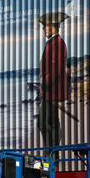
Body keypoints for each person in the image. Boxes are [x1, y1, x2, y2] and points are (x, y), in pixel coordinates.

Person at [37, 12, 70, 152]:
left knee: (43, 123)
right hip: (51, 91)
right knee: (52, 121)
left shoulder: (57, 43)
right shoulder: (52, 42)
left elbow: (56, 68)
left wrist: (43, 83)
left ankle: (51, 151)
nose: (44, 29)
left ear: (52, 27)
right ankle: (53, 151)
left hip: (52, 91)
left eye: (45, 27)